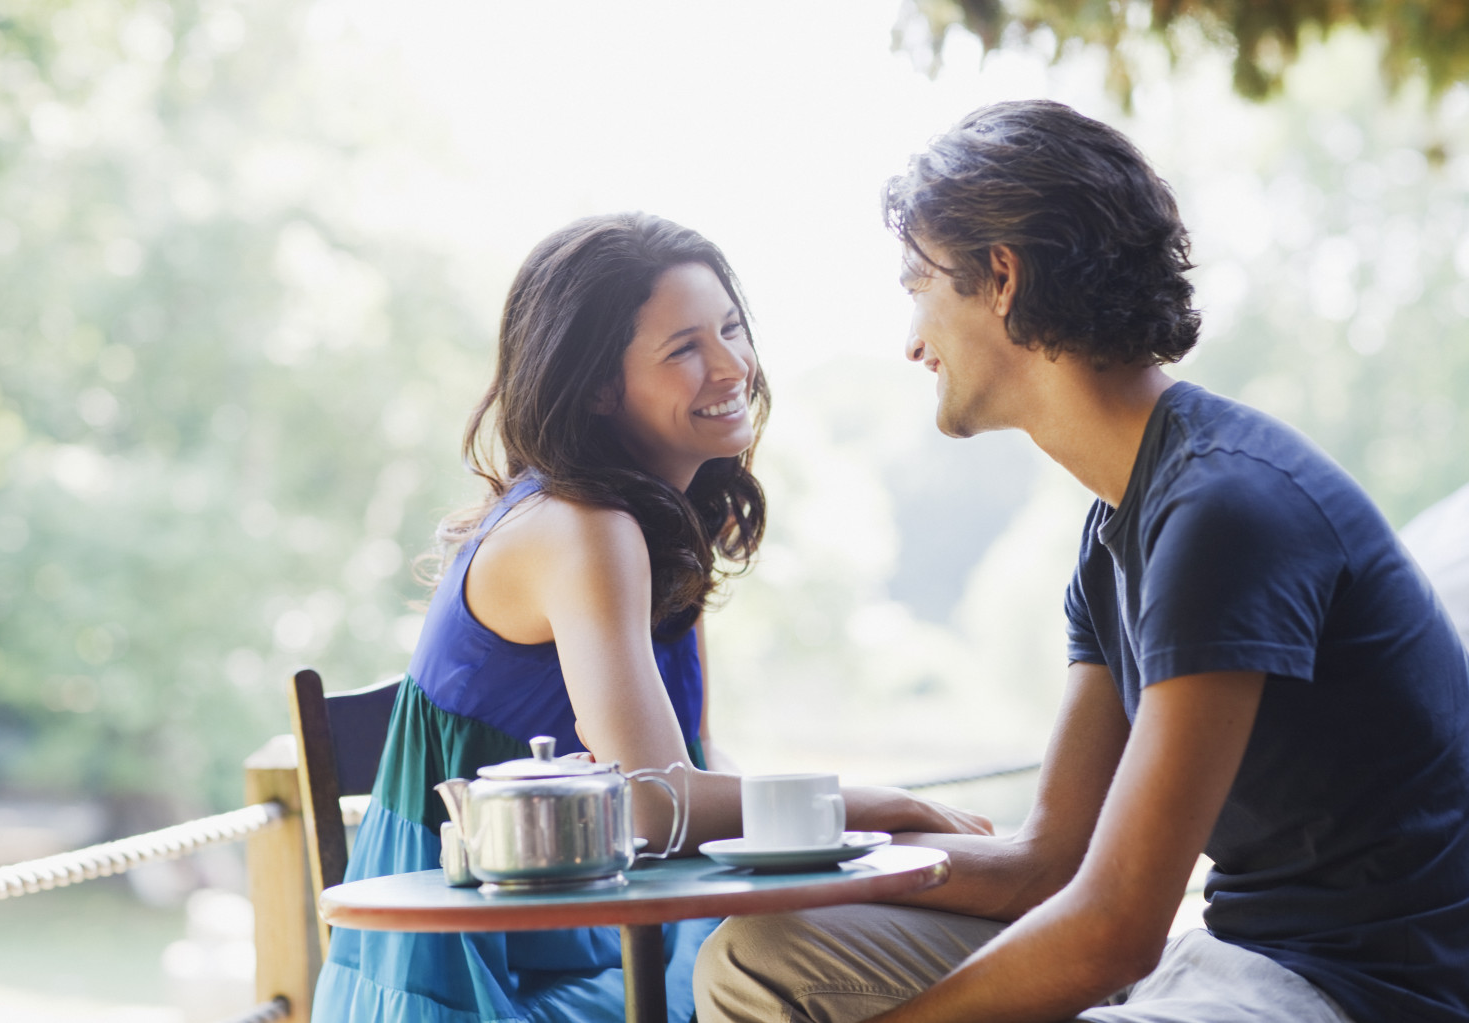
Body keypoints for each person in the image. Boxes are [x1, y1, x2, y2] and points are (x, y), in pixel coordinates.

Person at [695, 100, 1469, 1023]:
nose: (911, 339)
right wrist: (832, 849)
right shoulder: (1115, 531)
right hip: (1226, 961)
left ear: (1002, 278)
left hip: (1359, 992)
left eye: (918, 285)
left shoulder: (1224, 511)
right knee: (760, 959)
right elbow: (1050, 863)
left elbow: (1114, 927)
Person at [311, 212, 986, 1023]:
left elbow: (687, 764)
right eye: (685, 348)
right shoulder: (583, 530)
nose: (733, 364)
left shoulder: (659, 529)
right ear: (598, 387)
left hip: (613, 952)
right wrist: (887, 803)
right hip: (472, 986)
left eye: (732, 329)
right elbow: (659, 803)